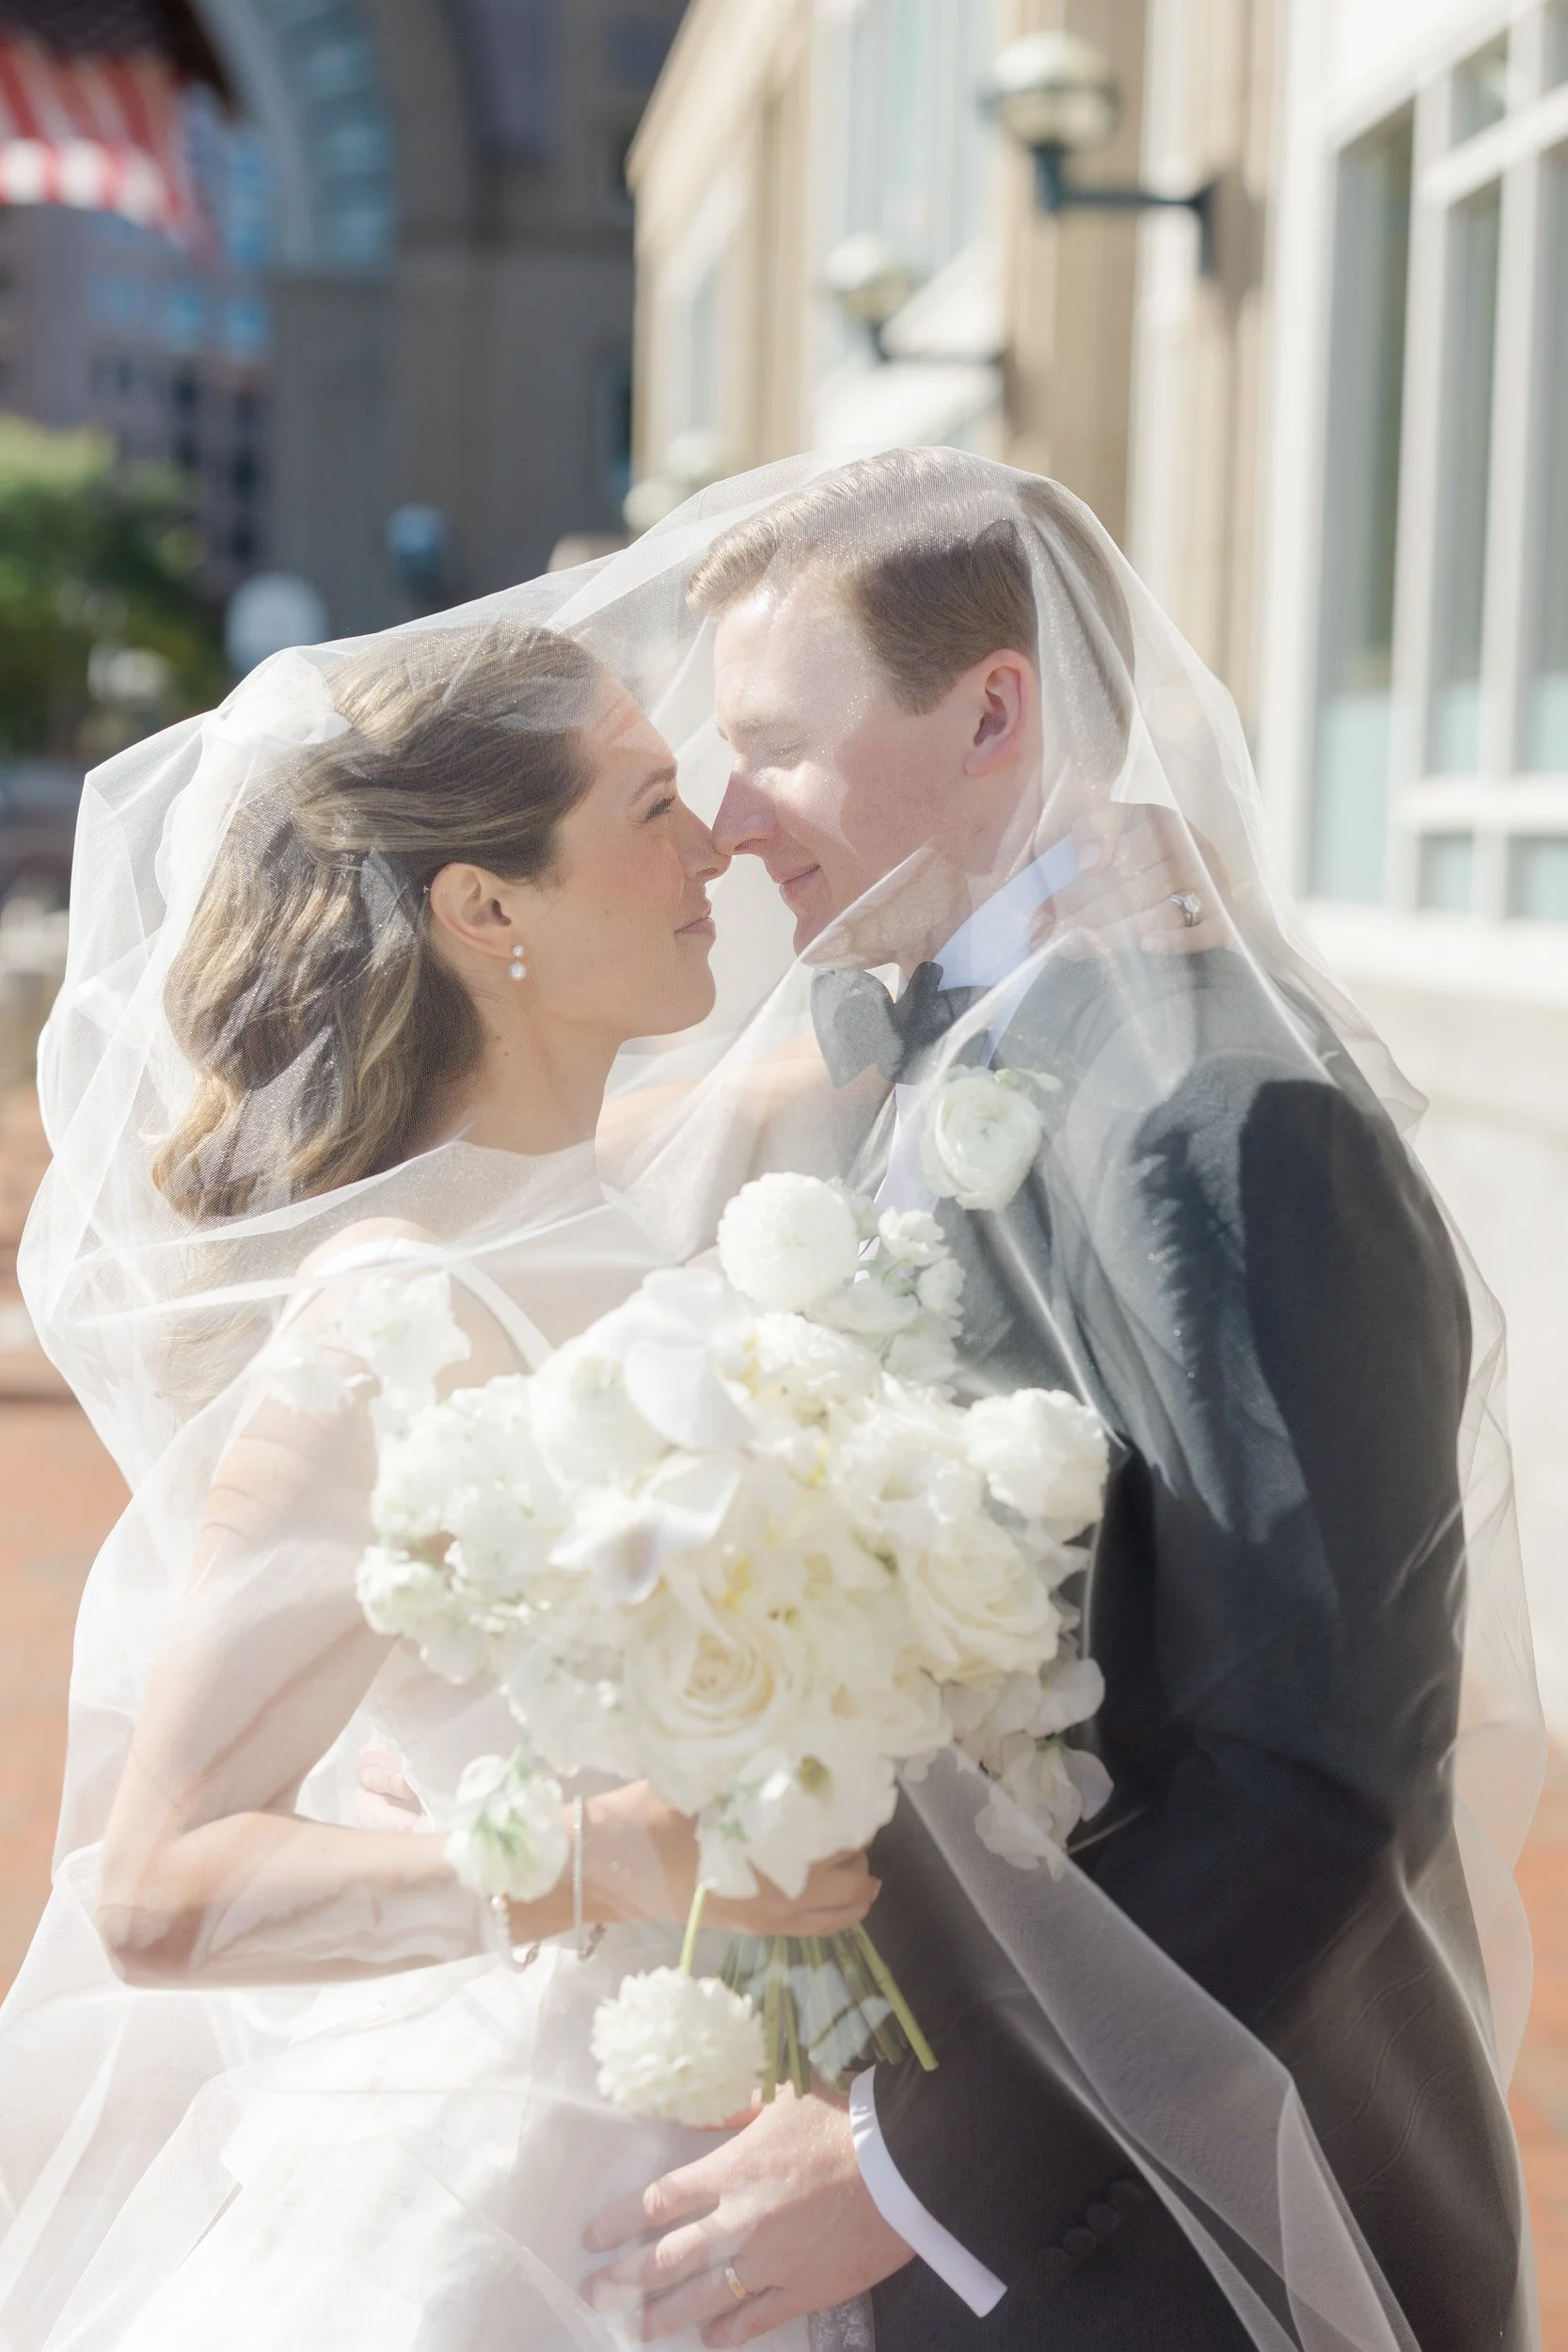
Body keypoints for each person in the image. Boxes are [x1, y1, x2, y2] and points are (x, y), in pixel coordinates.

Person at [0, 554, 1212, 2352]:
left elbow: (832, 1065)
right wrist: (610, 1854)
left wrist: (1068, 905)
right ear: (486, 907)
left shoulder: (612, 1197)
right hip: (525, 2192)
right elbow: (157, 1891)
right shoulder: (383, 1321)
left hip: (763, 2137)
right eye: (650, 807)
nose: (715, 842)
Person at [578, 453, 1538, 2352]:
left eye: (774, 743)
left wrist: (912, 2164)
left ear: (992, 711)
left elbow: (1312, 1771)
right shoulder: (908, 1053)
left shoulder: (1224, 1124)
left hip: (1172, 2246)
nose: (728, 816)